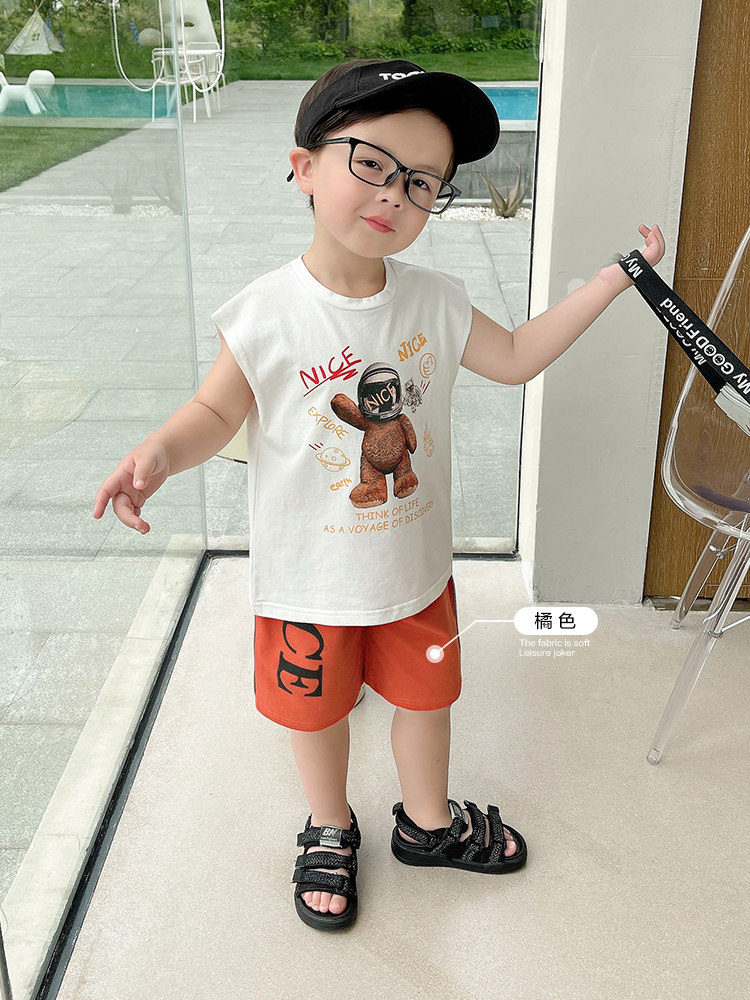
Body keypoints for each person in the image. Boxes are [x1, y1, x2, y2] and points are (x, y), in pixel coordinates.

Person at [93, 58, 665, 932]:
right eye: (370, 162)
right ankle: (329, 824)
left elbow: (515, 356)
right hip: (308, 581)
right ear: (303, 167)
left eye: (422, 181)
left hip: (415, 573)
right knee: (317, 711)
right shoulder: (264, 311)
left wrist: (610, 282)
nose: (395, 192)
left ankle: (426, 823)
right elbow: (215, 412)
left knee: (428, 701)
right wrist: (159, 454)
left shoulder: (436, 300)